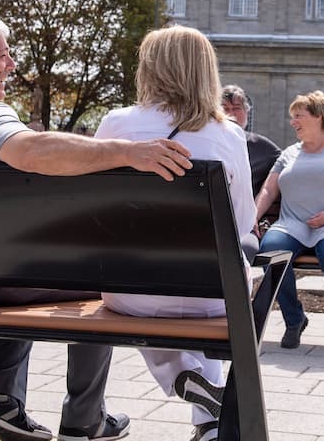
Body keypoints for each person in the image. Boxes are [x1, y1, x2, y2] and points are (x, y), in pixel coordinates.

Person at [0, 9, 193, 441]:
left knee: (30, 260)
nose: (12, 63)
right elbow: (31, 152)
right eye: (2, 55)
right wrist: (128, 153)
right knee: (105, 278)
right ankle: (83, 416)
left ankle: (1, 394)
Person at [95, 26, 256, 441]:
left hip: (134, 292)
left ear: (149, 69)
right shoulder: (230, 136)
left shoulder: (118, 124)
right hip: (214, 293)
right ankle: (208, 422)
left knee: (145, 286)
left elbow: (93, 212)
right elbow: (240, 223)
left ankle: (182, 374)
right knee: (219, 278)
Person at [254, 90, 324, 352]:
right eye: (292, 117)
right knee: (271, 251)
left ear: (318, 117)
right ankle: (294, 320)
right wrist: (253, 217)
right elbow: (269, 191)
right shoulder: (289, 153)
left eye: (299, 116)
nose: (293, 122)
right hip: (292, 224)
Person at [220, 84, 281, 198]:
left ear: (246, 111)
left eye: (237, 108)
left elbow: (287, 163)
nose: (231, 114)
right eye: (225, 109)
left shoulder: (263, 147)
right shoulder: (210, 142)